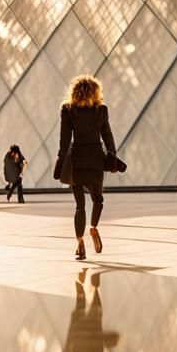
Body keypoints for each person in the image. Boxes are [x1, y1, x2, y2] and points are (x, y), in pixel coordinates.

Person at [54, 75, 116, 261]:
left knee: (79, 206)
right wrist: (111, 155)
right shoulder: (101, 110)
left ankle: (80, 243)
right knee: (98, 200)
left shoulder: (68, 110)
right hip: (96, 160)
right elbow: (108, 137)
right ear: (95, 92)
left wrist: (59, 164)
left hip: (77, 161)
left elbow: (64, 143)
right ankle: (94, 228)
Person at [60, 269, 120, 352]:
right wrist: (72, 334)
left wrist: (104, 340)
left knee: (96, 309)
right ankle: (80, 286)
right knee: (79, 309)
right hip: (78, 336)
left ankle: (95, 285)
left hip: (94, 334)